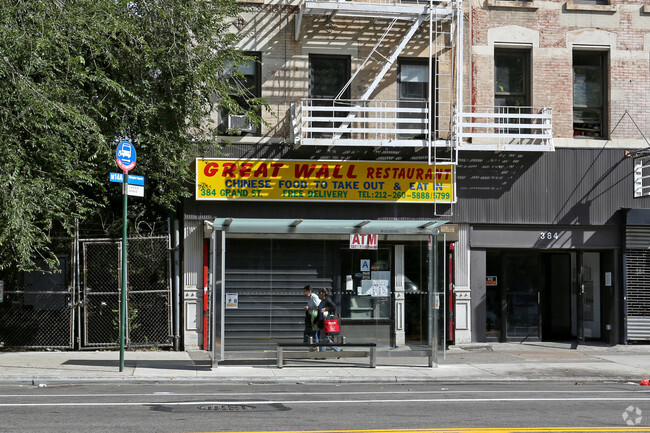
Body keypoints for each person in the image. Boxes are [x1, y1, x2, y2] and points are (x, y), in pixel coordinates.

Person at [317, 288, 341, 352]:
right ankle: (337, 350)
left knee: (324, 338)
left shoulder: (327, 300)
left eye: (319, 293)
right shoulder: (322, 301)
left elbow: (334, 307)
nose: (318, 294)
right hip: (322, 322)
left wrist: (326, 309)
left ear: (323, 294)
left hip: (326, 322)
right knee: (324, 338)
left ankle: (323, 354)